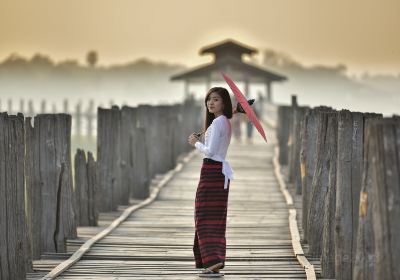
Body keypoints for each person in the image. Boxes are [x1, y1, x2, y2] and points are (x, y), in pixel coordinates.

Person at [187, 87, 234, 278]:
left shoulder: (218, 122)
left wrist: (195, 143)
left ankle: (212, 262)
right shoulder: (224, 121)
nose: (211, 103)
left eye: (216, 99)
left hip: (212, 171)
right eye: (208, 100)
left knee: (204, 216)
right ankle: (213, 260)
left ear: (224, 103)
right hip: (218, 173)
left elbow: (211, 151)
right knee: (214, 217)